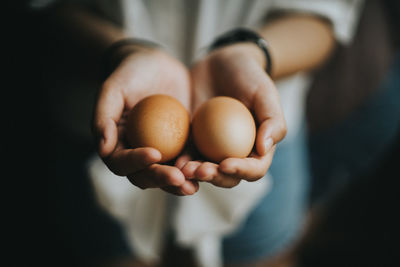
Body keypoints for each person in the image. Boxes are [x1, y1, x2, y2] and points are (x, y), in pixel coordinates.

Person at [36, 0, 364, 266]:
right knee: (110, 252)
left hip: (258, 126)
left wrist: (250, 54)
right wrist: (123, 52)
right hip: (105, 121)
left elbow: (324, 19)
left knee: (262, 253)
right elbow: (49, 13)